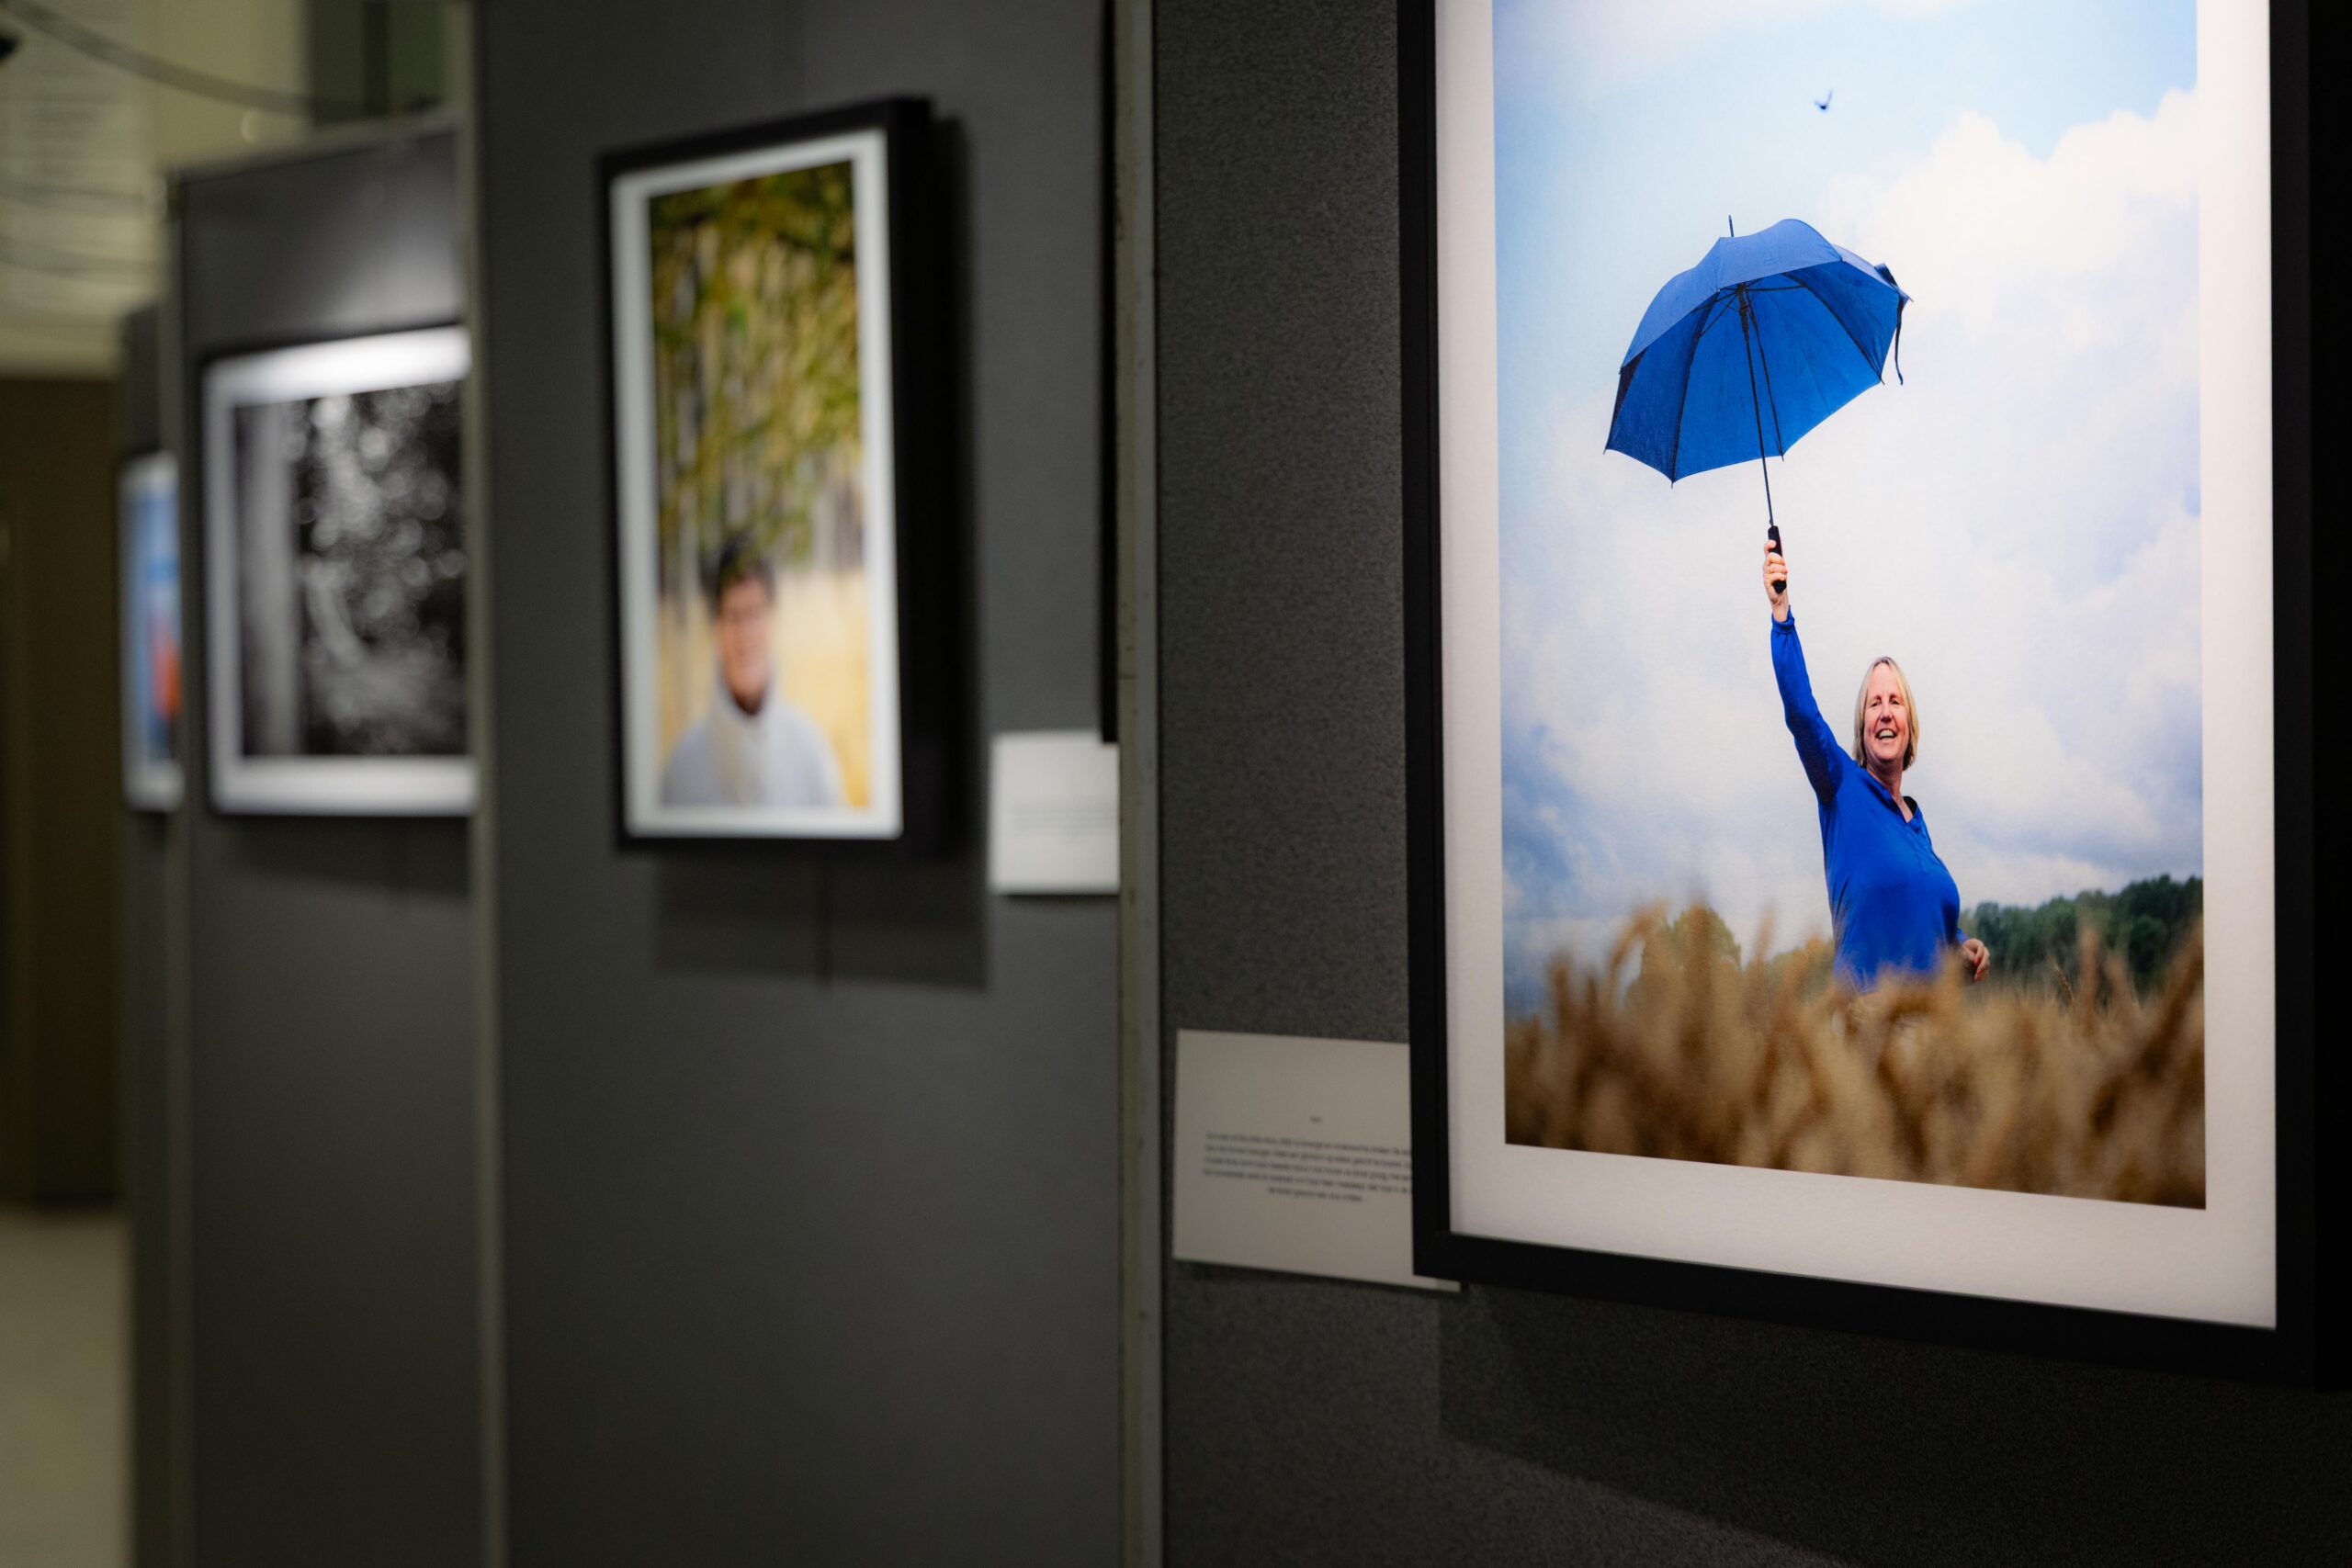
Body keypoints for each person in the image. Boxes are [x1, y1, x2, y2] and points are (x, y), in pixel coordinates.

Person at [1763, 531, 1988, 990]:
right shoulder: (1839, 786)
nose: (1885, 712)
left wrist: (1960, 945)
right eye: (1874, 703)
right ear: (1863, 725)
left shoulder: (1918, 827)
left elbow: (1922, 922)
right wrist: (1781, 613)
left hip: (1931, 1036)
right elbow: (1802, 713)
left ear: (1910, 724)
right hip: (1866, 1029)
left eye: (1895, 702)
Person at [661, 533, 845, 808]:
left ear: (772, 617)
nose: (745, 636)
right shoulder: (682, 768)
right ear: (716, 627)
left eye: (755, 613)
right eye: (733, 617)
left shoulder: (812, 755)